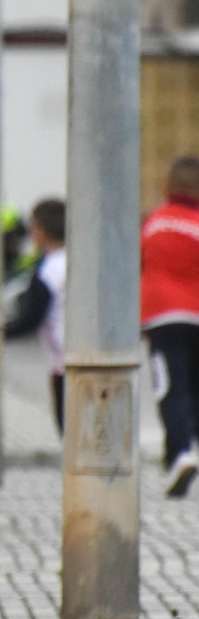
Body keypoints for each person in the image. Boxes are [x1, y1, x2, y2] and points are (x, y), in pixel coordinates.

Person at [143, 157, 199, 498]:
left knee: (171, 389)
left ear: (168, 187)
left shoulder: (153, 223)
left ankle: (180, 454)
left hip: (163, 316)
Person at [3, 198, 67, 432]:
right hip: (90, 353)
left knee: (67, 425)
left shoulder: (47, 270)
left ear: (41, 230)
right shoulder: (81, 259)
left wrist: (0, 332)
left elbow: (32, 317)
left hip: (63, 360)